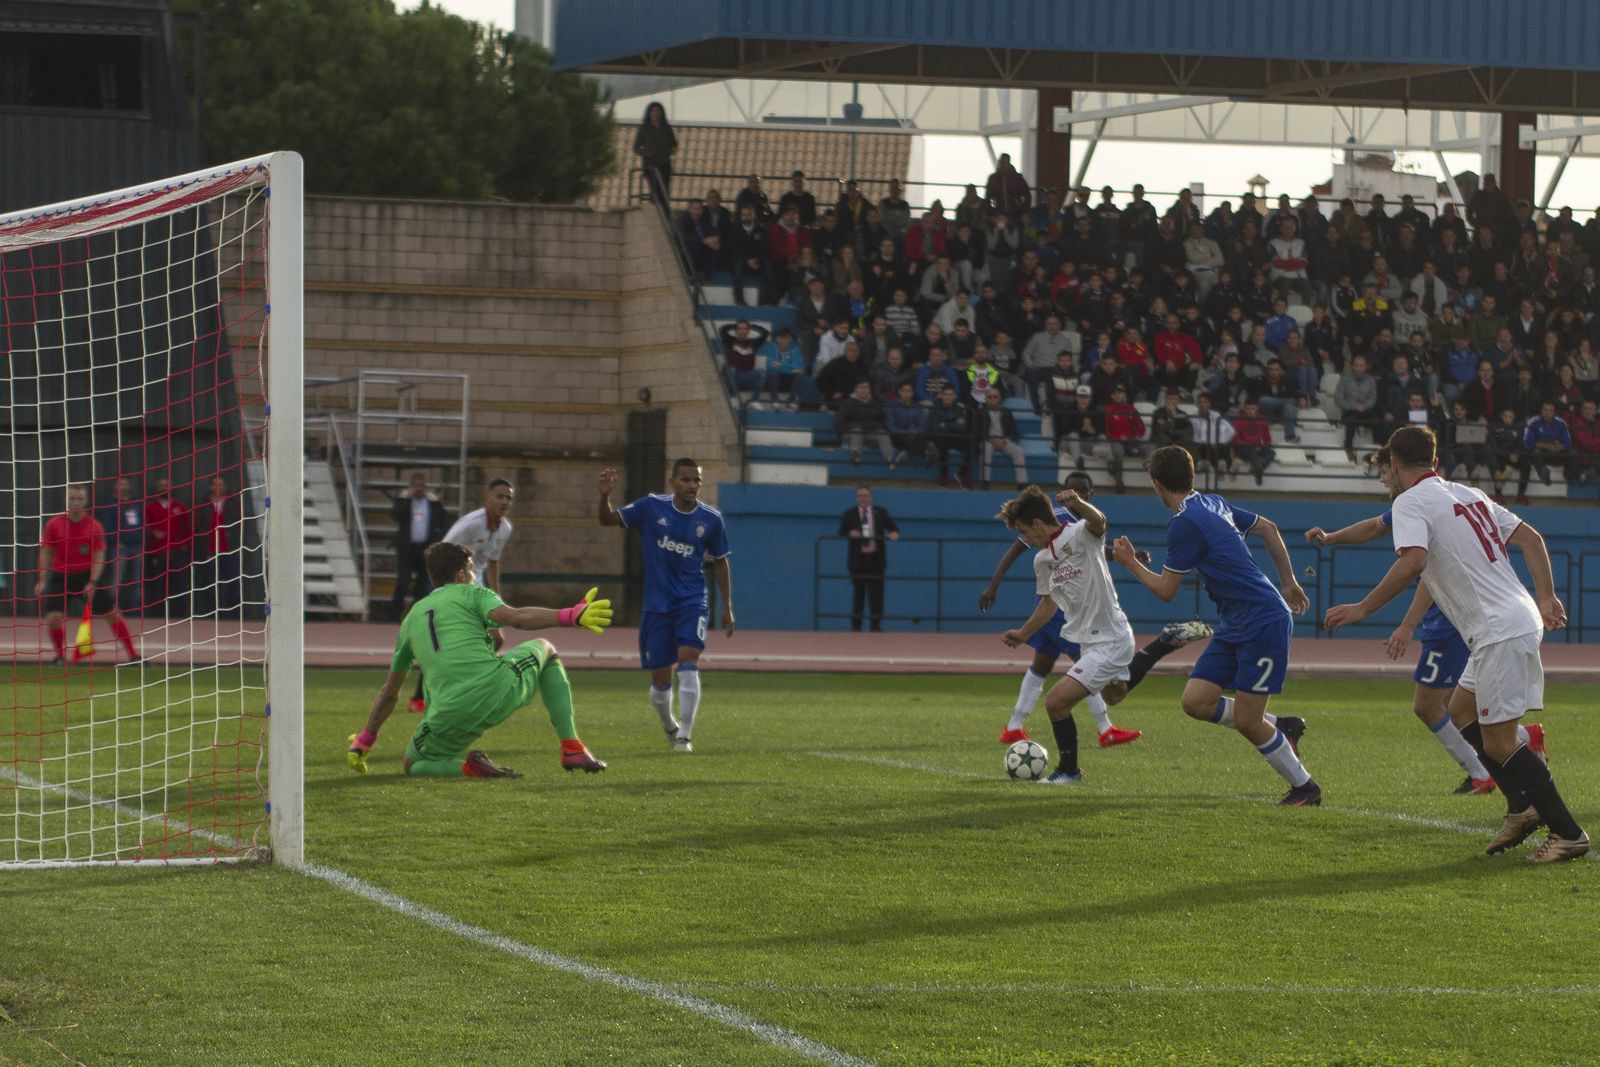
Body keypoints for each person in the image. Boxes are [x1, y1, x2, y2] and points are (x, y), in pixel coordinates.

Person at [1324, 426, 1587, 861]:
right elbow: (1532, 539)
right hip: (1507, 621)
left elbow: (1414, 561)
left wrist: (1363, 608)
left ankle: (1568, 833)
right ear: (1433, 460)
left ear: (1393, 463)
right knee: (1460, 710)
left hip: (1499, 629)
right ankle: (1521, 809)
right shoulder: (1468, 493)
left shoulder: (1410, 501)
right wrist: (1546, 596)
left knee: (1500, 743)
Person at [1307, 447, 1545, 795]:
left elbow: (1424, 567)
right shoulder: (1432, 501)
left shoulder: (1421, 503)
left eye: (1384, 473)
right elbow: (1375, 527)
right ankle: (1512, 766)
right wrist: (1331, 537)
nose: (1383, 481)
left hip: (1461, 619)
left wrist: (1399, 622)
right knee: (1455, 707)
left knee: (1432, 706)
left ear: (1396, 467)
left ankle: (1493, 775)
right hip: (1480, 617)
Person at [1110, 446, 1319, 805]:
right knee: (1195, 701)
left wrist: (1129, 563)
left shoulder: (1184, 522)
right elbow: (1268, 528)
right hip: (1236, 620)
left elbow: (1166, 590)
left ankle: (1306, 788)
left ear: (1157, 485)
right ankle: (1280, 726)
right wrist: (1289, 582)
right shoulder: (1212, 502)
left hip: (1262, 620)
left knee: (1249, 721)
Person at [980, 471, 1210, 754]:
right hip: (1087, 640)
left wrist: (1078, 503)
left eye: (1024, 531)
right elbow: (1048, 603)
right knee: (1115, 694)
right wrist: (1022, 633)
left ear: (1037, 524)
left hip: (1111, 635)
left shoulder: (1079, 533)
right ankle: (1165, 642)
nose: (1024, 538)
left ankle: (1069, 768)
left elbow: (1099, 522)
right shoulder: (1042, 560)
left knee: (1056, 702)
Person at [345, 542, 608, 778]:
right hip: (492, 690)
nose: (474, 577)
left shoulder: (411, 618)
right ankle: (572, 747)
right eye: (472, 570)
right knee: (545, 649)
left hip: (447, 713)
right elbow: (516, 618)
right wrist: (570, 616)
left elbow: (390, 691)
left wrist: (365, 739)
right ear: (461, 575)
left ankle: (467, 770)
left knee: (414, 763)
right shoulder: (474, 594)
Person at [598, 460, 734, 752]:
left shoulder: (711, 519)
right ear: (672, 482)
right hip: (656, 605)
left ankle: (685, 734)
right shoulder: (650, 507)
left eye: (696, 480)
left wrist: (727, 606)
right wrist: (605, 496)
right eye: (685, 480)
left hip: (692, 600)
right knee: (660, 681)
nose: (692, 485)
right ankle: (669, 725)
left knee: (687, 657)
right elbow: (607, 520)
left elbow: (721, 560)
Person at [427, 478, 516, 713]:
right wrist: (445, 589)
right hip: (455, 586)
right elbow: (440, 553)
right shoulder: (470, 524)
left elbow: (493, 562)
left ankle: (472, 684)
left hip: (477, 586)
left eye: (508, 498)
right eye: (500, 496)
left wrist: (496, 595)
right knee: (442, 644)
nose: (504, 501)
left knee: (497, 639)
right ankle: (424, 694)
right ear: (488, 498)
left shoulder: (505, 528)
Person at [35, 483, 142, 666]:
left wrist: (92, 582)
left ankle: (134, 656)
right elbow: (46, 552)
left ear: (86, 501)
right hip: (61, 576)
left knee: (113, 613)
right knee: (53, 618)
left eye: (79, 499)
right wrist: (42, 580)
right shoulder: (53, 524)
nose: (76, 502)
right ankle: (60, 657)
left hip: (86, 575)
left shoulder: (94, 526)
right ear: (66, 501)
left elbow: (99, 556)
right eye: (72, 499)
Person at [837, 486, 900, 632]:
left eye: (866, 495)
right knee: (858, 593)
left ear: (871, 497)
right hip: (858, 560)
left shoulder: (881, 512)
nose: (863, 498)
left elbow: (894, 528)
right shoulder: (849, 514)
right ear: (856, 498)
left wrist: (894, 533)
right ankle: (856, 626)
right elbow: (841, 532)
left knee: (877, 595)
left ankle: (875, 626)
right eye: (860, 496)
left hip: (876, 559)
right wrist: (850, 532)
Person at [390, 473, 450, 622]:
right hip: (407, 548)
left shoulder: (433, 503)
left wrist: (437, 539)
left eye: (421, 486)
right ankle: (394, 614)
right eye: (416, 486)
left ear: (425, 487)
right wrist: (406, 498)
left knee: (422, 584)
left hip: (425, 548)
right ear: (411, 487)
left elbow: (443, 521)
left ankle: (416, 615)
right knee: (403, 581)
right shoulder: (404, 501)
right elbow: (395, 515)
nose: (419, 489)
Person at [191, 475, 241, 618]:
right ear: (210, 486)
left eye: (221, 484)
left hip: (229, 549)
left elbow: (239, 523)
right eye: (215, 484)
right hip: (210, 550)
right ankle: (213, 615)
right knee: (211, 584)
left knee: (232, 584)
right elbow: (197, 525)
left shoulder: (233, 503)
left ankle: (233, 616)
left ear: (225, 486)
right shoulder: (202, 503)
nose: (218, 488)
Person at [95, 477, 144, 614]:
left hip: (138, 547)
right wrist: (116, 541)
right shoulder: (110, 504)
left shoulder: (136, 503)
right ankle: (112, 610)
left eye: (126, 484)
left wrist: (142, 538)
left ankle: (136, 611)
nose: (123, 487)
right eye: (120, 484)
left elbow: (143, 521)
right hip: (120, 548)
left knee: (137, 580)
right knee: (116, 580)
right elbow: (107, 526)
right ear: (115, 486)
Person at [143, 476, 189, 616]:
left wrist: (184, 545)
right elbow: (144, 526)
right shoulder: (150, 507)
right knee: (157, 585)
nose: (164, 488)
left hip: (177, 552)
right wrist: (152, 532)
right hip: (157, 551)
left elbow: (187, 528)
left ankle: (179, 615)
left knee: (178, 584)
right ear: (157, 489)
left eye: (166, 485)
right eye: (161, 486)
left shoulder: (179, 507)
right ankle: (159, 616)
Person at [633, 101, 676, 204]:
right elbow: (636, 148)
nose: (655, 114)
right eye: (653, 111)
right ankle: (655, 208)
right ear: (649, 113)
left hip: (665, 164)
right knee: (655, 191)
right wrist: (647, 153)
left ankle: (664, 210)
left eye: (658, 111)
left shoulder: (666, 128)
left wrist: (667, 152)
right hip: (650, 164)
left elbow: (673, 144)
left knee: (664, 192)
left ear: (661, 113)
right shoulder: (644, 128)